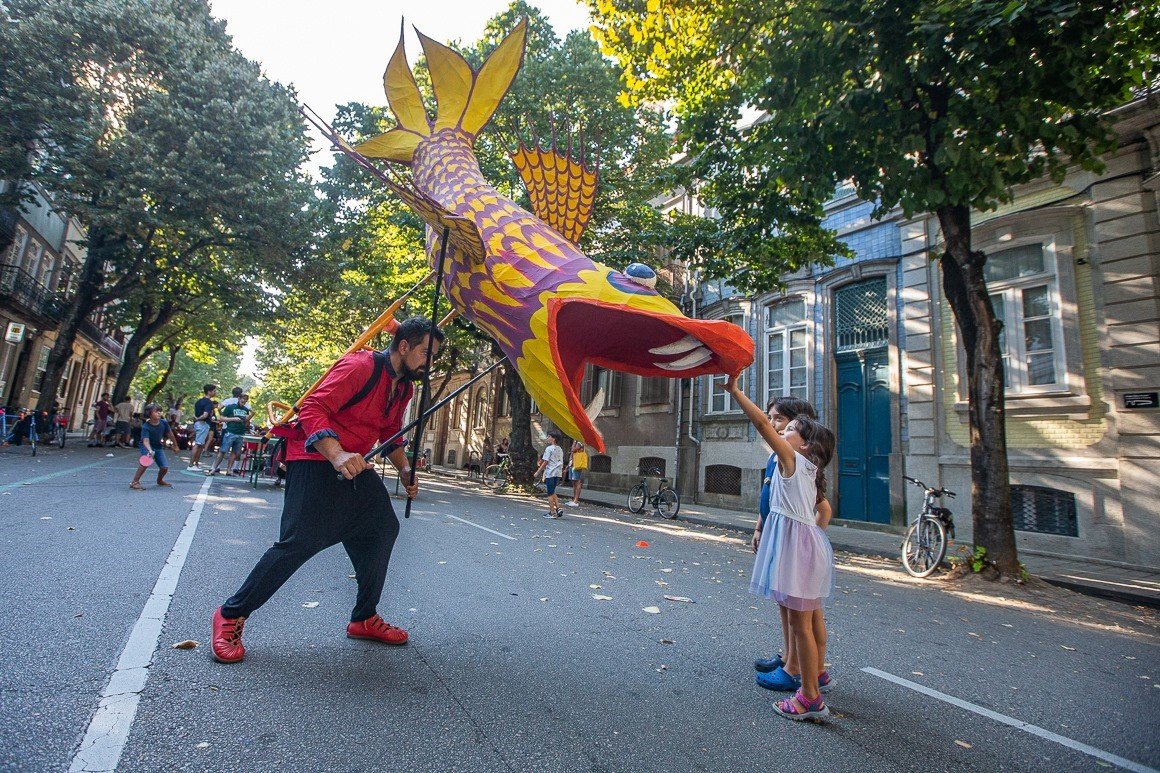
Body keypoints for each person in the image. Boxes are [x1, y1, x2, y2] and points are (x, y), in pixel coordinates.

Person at [210, 317, 444, 665]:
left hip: (355, 465)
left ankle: (364, 617)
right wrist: (336, 454)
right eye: (426, 353)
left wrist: (405, 468)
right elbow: (313, 409)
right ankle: (231, 614)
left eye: (434, 356)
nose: (429, 362)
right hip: (313, 457)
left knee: (382, 527)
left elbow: (390, 432)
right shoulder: (361, 365)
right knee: (301, 541)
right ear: (404, 346)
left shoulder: (404, 388)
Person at [725, 375, 835, 721]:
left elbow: (759, 423)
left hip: (796, 550)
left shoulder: (790, 461)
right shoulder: (808, 468)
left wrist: (734, 390)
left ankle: (809, 698)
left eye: (789, 431)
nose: (781, 432)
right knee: (797, 617)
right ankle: (814, 675)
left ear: (803, 445)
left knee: (800, 624)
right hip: (803, 548)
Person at [753, 397, 833, 693]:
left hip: (796, 547)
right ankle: (791, 658)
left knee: (805, 618)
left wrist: (809, 544)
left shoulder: (796, 463)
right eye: (772, 420)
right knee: (789, 609)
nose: (775, 426)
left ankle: (804, 669)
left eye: (780, 422)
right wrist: (760, 526)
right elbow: (769, 498)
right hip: (784, 540)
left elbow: (823, 510)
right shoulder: (781, 459)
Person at [129, 403, 179, 490]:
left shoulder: (163, 423)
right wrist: (150, 450)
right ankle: (134, 482)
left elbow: (170, 434)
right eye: (156, 411)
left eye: (160, 411)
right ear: (149, 414)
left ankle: (160, 480)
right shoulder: (146, 426)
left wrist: (175, 445)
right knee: (146, 461)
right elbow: (145, 440)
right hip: (146, 446)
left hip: (157, 446)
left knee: (164, 468)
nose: (159, 413)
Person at [207, 393, 252, 476]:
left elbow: (246, 419)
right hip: (230, 432)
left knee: (235, 452)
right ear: (238, 399)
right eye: (242, 400)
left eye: (245, 401)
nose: (244, 402)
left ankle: (229, 470)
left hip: (240, 433)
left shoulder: (246, 409)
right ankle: (213, 468)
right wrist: (233, 419)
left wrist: (251, 415)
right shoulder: (230, 407)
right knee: (222, 451)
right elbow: (221, 418)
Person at [535, 430, 565, 519]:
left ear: (553, 439)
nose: (547, 438)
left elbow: (545, 462)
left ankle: (552, 512)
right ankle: (558, 508)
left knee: (549, 494)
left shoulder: (549, 449)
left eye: (549, 437)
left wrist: (538, 472)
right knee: (552, 492)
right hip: (558, 473)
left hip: (550, 473)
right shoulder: (560, 449)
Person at [189, 384, 217, 468]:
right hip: (203, 423)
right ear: (209, 392)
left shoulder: (199, 401)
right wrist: (198, 419)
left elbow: (196, 413)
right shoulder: (209, 402)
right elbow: (205, 415)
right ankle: (191, 464)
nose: (215, 392)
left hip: (199, 424)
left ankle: (196, 464)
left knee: (200, 444)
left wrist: (196, 419)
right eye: (214, 391)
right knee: (198, 444)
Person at [566, 440, 587, 507]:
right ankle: (574, 499)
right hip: (573, 464)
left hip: (577, 465)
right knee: (574, 482)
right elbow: (572, 453)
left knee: (577, 482)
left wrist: (574, 443)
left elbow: (573, 450)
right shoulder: (576, 442)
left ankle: (576, 501)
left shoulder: (579, 442)